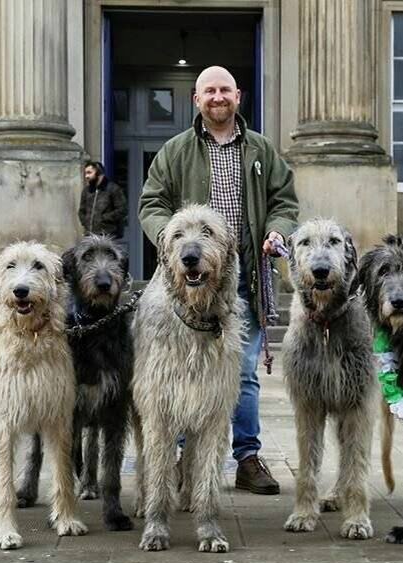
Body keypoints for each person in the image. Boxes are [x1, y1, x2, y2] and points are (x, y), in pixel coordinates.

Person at [138, 65, 299, 495]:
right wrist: (167, 239)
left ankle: (247, 458)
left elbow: (285, 199)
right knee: (181, 375)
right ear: (197, 99)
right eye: (208, 90)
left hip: (242, 280)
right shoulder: (175, 150)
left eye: (224, 89)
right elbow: (151, 203)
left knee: (243, 372)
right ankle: (179, 460)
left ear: (238, 96)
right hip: (186, 279)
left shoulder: (262, 150)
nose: (217, 97)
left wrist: (277, 230)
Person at [79, 160, 128, 239]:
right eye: (85, 173)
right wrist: (86, 222)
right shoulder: (86, 191)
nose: (86, 176)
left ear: (99, 173)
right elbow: (81, 211)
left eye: (89, 172)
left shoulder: (113, 189)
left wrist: (104, 219)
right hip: (89, 235)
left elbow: (122, 210)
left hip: (107, 236)